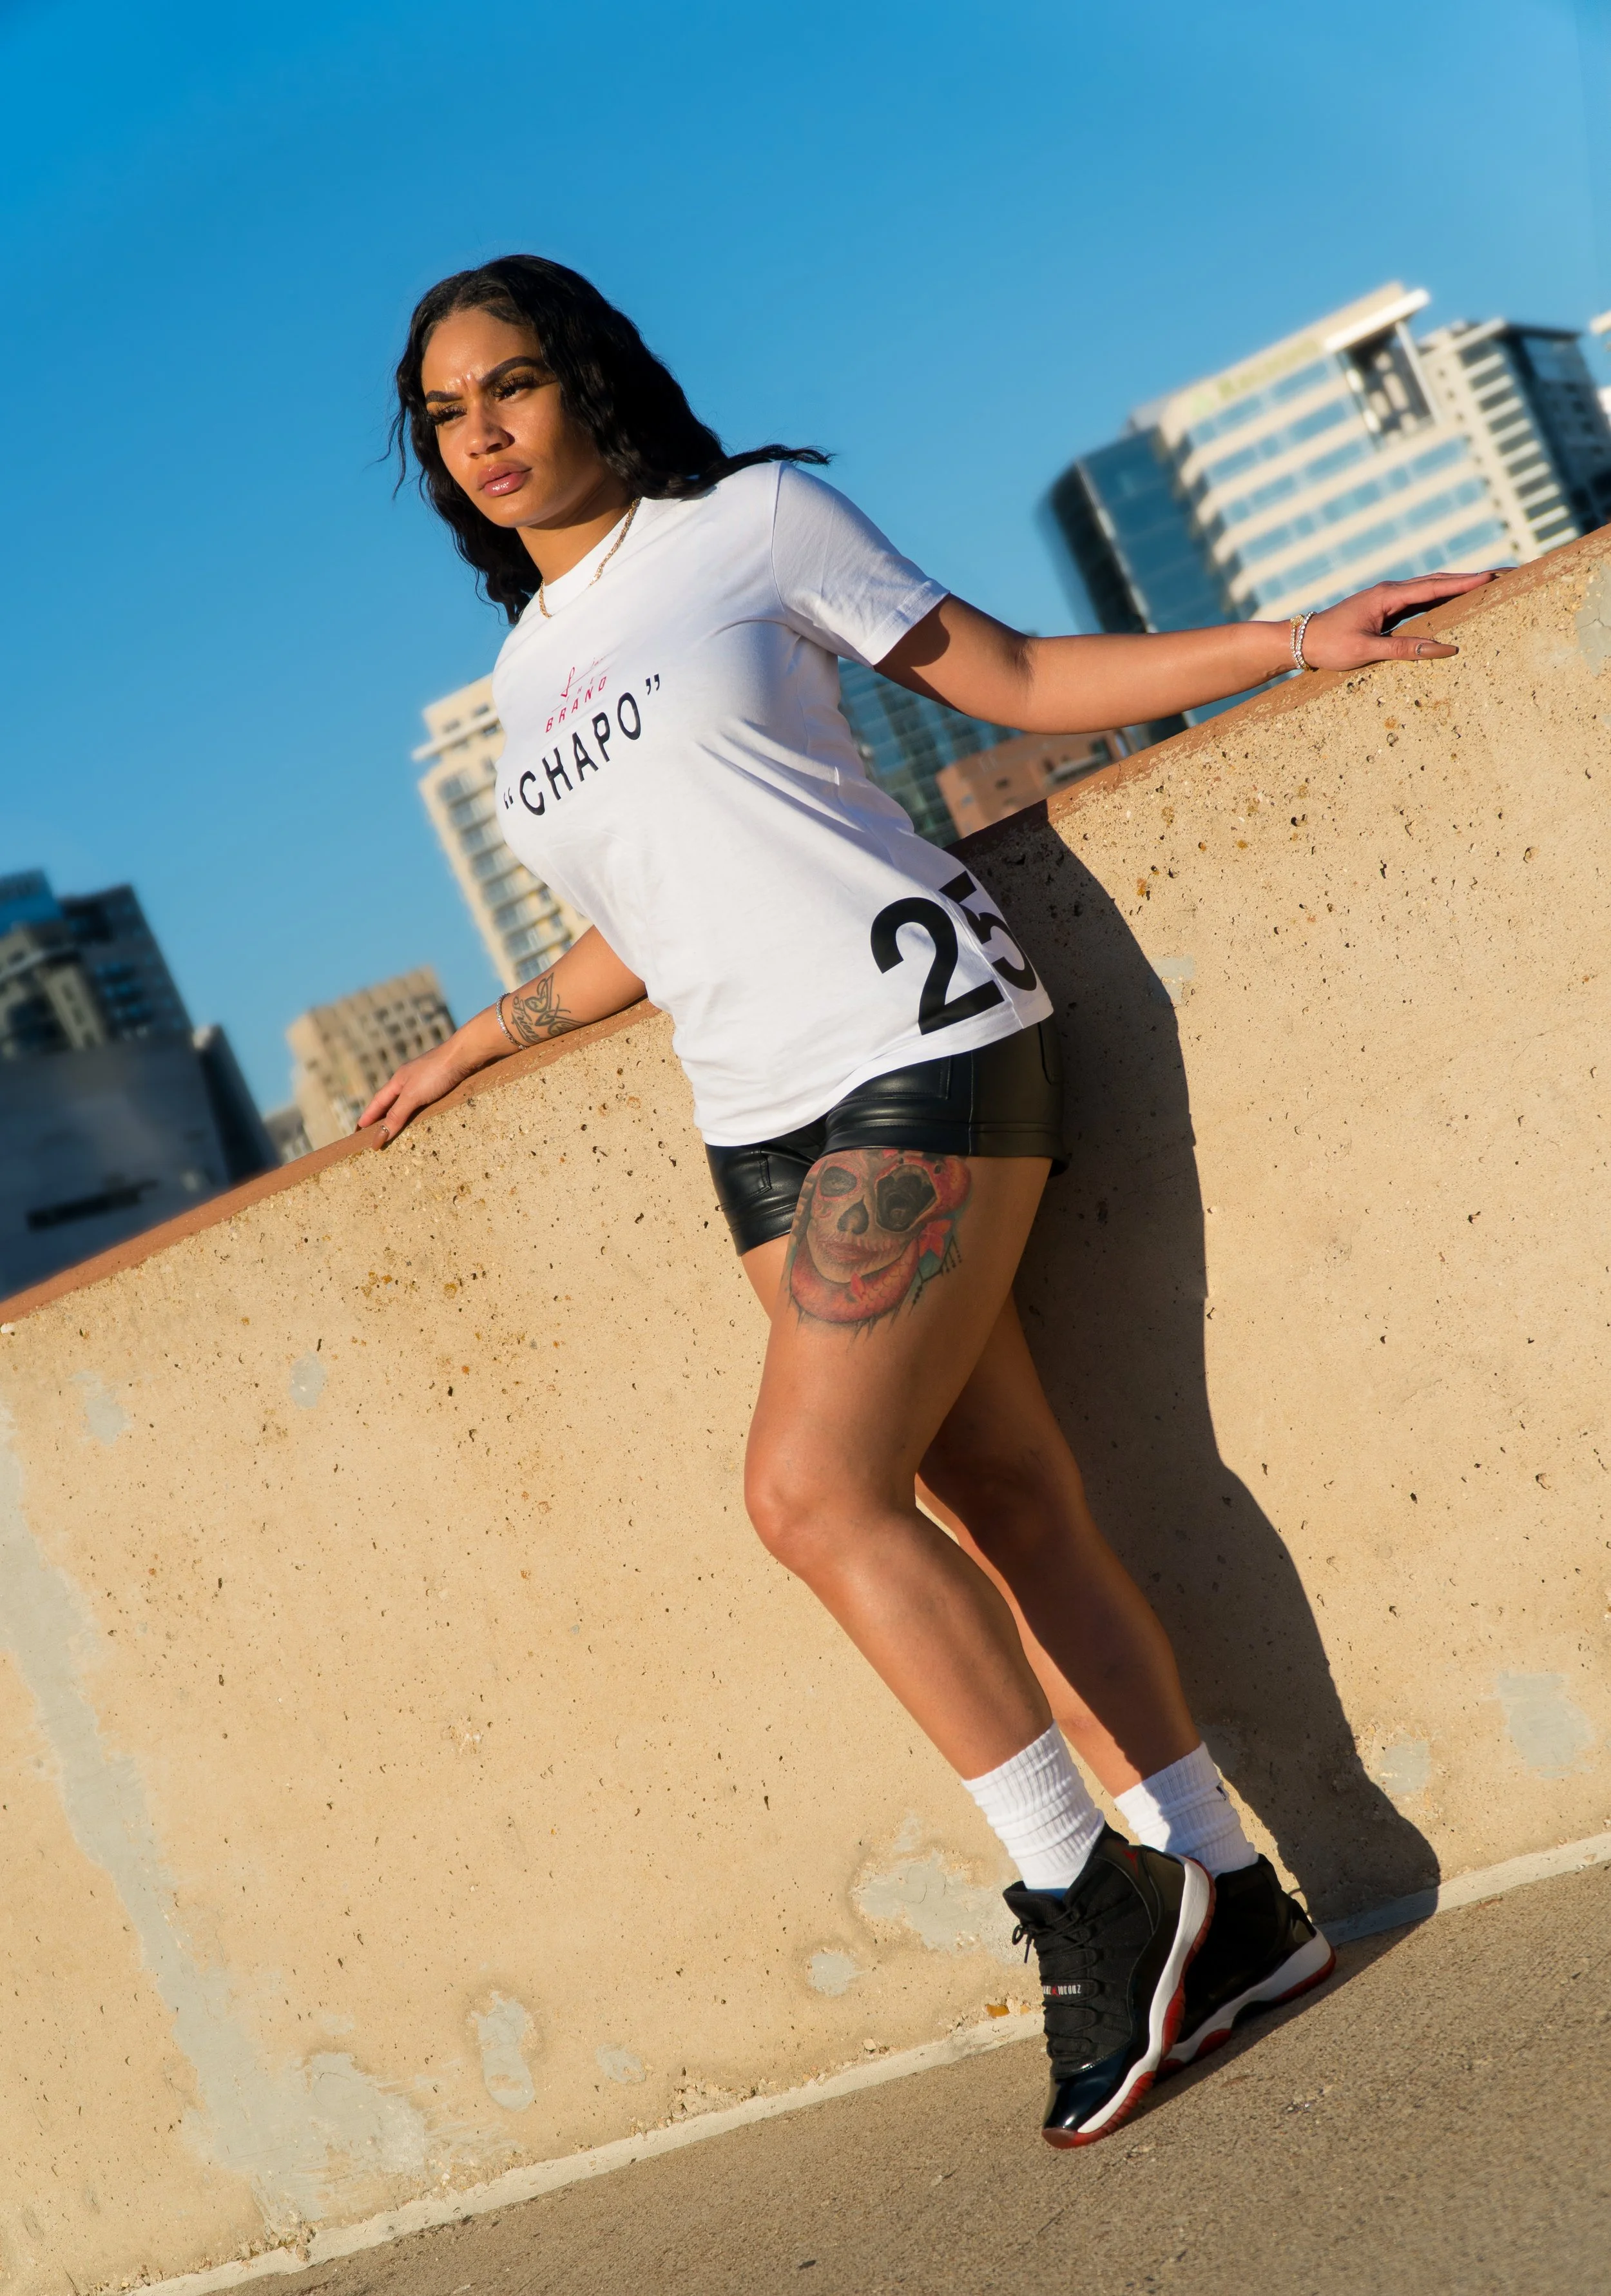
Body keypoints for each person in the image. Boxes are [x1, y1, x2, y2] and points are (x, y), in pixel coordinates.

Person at [363, 255, 1492, 2147]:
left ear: (593, 382)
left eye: (512, 386)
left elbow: (1016, 680)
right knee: (1006, 1499)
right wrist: (480, 1038)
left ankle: (1086, 1891)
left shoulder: (748, 527)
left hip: (915, 1035)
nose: (480, 433)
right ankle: (1232, 1899)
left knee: (809, 1494)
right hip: (756, 1120)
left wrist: (1297, 639)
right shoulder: (523, 673)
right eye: (443, 414)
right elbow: (649, 920)